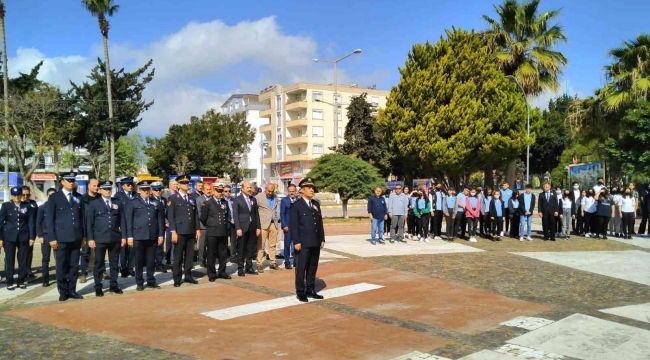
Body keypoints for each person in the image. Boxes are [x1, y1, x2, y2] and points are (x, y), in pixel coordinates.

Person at [45, 172, 85, 301]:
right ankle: (63, 291)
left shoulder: (79, 197)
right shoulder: (55, 198)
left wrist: (83, 236)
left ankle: (72, 290)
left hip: (76, 237)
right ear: (62, 182)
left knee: (74, 266)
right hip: (60, 238)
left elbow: (82, 218)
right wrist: (51, 238)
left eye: (73, 180)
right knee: (61, 265)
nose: (71, 182)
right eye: (68, 180)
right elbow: (49, 220)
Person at [86, 181, 127, 297]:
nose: (108, 191)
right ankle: (98, 286)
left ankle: (114, 284)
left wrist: (124, 236)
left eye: (109, 189)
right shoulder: (94, 204)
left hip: (114, 237)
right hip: (100, 238)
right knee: (99, 263)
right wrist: (90, 238)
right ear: (100, 190)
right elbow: (89, 223)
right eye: (105, 189)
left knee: (114, 263)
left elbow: (122, 221)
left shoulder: (117, 203)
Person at [126, 181, 165, 291]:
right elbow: (129, 221)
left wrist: (161, 235)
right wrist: (129, 236)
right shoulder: (133, 202)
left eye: (148, 189)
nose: (146, 191)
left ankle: (151, 280)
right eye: (144, 189)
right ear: (139, 190)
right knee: (139, 260)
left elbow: (160, 220)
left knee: (151, 260)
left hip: (152, 235)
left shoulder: (155, 202)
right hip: (138, 235)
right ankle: (139, 281)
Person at [290, 178, 325, 303]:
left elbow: (319, 223)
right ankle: (300, 292)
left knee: (312, 267)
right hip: (303, 242)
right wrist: (296, 242)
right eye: (309, 188)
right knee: (301, 268)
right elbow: (294, 225)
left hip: (315, 241)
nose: (312, 190)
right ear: (302, 190)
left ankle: (310, 289)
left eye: (312, 188)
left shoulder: (315, 204)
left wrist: (322, 238)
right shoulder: (296, 205)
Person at [167, 175, 201, 287]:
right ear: (179, 185)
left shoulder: (191, 197)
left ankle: (188, 275)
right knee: (178, 256)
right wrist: (173, 232)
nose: (187, 185)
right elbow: (171, 217)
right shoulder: (173, 198)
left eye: (187, 183)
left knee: (189, 255)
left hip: (191, 231)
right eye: (184, 183)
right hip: (179, 231)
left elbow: (195, 214)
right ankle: (177, 278)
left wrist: (197, 229)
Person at [0, 186, 36, 290]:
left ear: (21, 195)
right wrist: (0, 238)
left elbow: (30, 223)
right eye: (15, 195)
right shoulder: (6, 206)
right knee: (9, 260)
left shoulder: (27, 206)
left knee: (22, 260)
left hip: (23, 236)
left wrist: (32, 237)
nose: (17, 197)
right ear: (12, 195)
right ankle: (9, 281)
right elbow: (1, 222)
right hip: (9, 236)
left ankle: (21, 280)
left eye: (18, 195)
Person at [200, 183, 232, 281]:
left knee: (223, 253)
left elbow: (227, 216)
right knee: (211, 254)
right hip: (212, 231)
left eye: (221, 191)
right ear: (214, 191)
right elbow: (203, 218)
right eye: (218, 191)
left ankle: (222, 271)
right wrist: (211, 225)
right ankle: (212, 273)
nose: (219, 193)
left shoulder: (224, 202)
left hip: (222, 231)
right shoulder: (208, 203)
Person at [232, 181, 262, 276]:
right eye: (248, 188)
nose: (250, 189)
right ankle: (240, 268)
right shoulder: (237, 199)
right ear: (242, 189)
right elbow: (235, 215)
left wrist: (258, 227)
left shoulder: (253, 199)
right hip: (242, 227)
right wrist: (238, 228)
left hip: (252, 227)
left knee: (250, 248)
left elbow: (256, 214)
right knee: (241, 249)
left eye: (250, 187)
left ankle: (249, 267)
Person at [255, 183, 281, 271]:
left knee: (273, 245)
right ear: (265, 189)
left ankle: (272, 262)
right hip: (263, 224)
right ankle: (259, 263)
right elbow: (254, 210)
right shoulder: (259, 197)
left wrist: (277, 220)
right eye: (269, 191)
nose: (270, 192)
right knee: (261, 245)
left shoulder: (275, 197)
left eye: (272, 191)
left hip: (273, 224)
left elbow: (276, 210)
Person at [79, 178, 99, 284]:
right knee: (85, 253)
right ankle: (83, 273)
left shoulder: (100, 198)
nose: (96, 188)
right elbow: (81, 216)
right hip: (86, 230)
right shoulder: (83, 199)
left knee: (99, 252)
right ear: (89, 186)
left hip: (99, 230)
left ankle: (102, 271)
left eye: (97, 185)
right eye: (94, 185)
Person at [115, 177, 135, 278]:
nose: (130, 186)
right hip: (123, 225)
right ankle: (123, 268)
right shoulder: (118, 196)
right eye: (128, 184)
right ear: (123, 186)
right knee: (123, 248)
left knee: (132, 248)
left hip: (134, 225)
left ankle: (130, 268)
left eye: (131, 184)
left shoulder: (135, 195)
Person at [37, 188, 57, 287]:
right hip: (45, 236)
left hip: (57, 236)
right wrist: (40, 235)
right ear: (47, 195)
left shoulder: (58, 207)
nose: (52, 196)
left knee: (59, 258)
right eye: (50, 195)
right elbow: (38, 223)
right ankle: (45, 279)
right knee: (46, 258)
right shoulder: (42, 208)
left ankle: (61, 277)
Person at [21, 186, 38, 278]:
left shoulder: (33, 203)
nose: (25, 196)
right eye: (23, 194)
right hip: (21, 231)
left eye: (28, 195)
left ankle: (28, 269)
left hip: (32, 231)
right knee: (22, 251)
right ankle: (22, 270)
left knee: (29, 250)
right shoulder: (18, 204)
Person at [151, 182, 168, 273]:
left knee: (160, 246)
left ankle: (159, 264)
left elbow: (166, 213)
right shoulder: (150, 199)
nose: (158, 191)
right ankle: (152, 263)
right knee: (152, 246)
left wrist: (166, 222)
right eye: (155, 190)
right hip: (153, 226)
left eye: (159, 190)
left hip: (162, 226)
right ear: (152, 190)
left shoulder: (164, 200)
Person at [280, 184, 298, 269]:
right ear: (288, 191)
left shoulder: (299, 200)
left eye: (293, 191)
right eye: (290, 191)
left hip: (297, 227)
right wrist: (284, 225)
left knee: (296, 245)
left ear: (295, 191)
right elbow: (282, 214)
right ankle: (287, 262)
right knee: (287, 245)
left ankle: (296, 261)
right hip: (288, 226)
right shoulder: (284, 201)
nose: (291, 193)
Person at [164, 180, 178, 265]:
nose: (176, 186)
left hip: (177, 222)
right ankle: (168, 258)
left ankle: (173, 260)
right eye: (174, 184)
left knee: (175, 242)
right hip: (169, 222)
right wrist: (166, 221)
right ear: (170, 185)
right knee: (169, 242)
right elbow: (164, 210)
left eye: (177, 184)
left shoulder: (178, 195)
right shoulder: (166, 195)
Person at [195, 181, 209, 267]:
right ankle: (202, 260)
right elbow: (199, 213)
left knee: (210, 244)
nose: (209, 191)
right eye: (207, 190)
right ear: (203, 191)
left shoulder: (211, 198)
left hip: (211, 226)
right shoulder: (199, 200)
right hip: (203, 225)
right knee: (202, 245)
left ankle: (209, 259)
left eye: (209, 189)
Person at [223, 185, 238, 263]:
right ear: (223, 192)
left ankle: (233, 256)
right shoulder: (222, 200)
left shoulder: (234, 200)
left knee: (233, 241)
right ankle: (224, 257)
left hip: (234, 223)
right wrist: (229, 219)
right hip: (225, 223)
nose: (228, 193)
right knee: (224, 241)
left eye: (229, 191)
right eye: (226, 191)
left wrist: (235, 219)